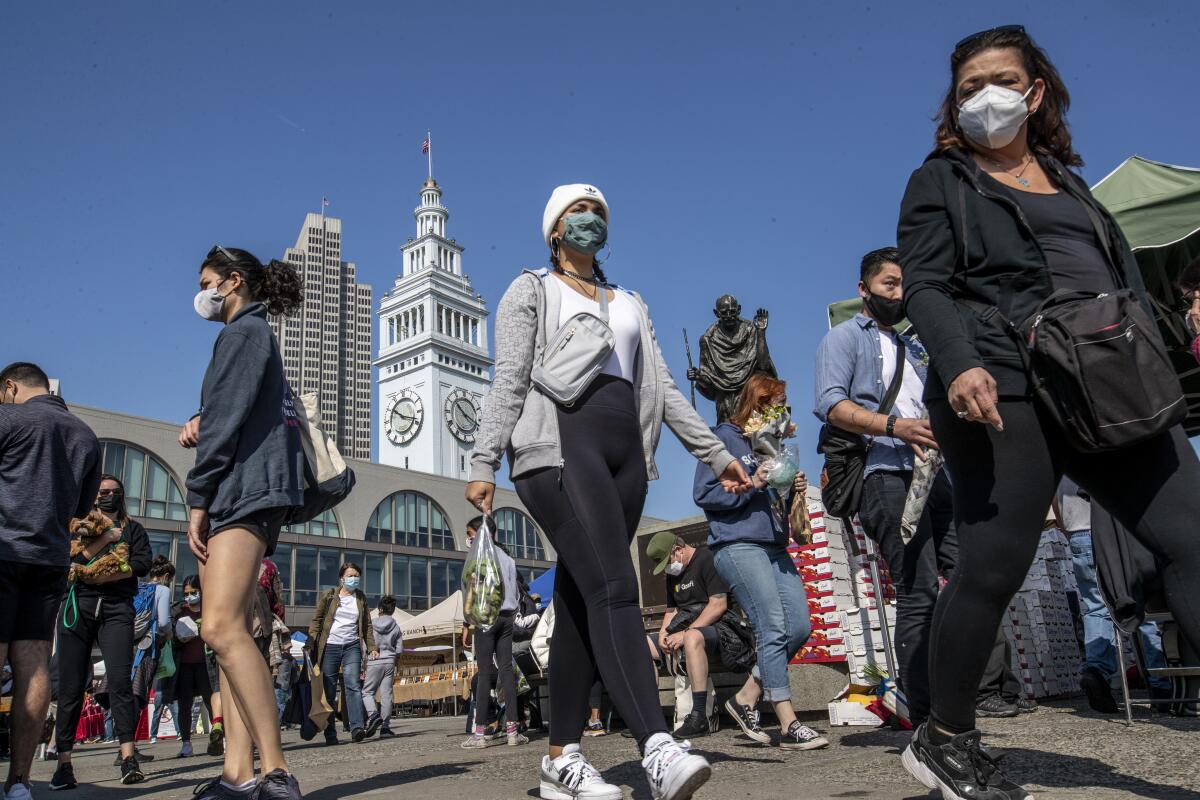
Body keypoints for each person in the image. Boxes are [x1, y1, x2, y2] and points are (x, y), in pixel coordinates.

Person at [896, 26, 1200, 800]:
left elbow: (1125, 287)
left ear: (1033, 93)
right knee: (994, 567)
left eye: (999, 80)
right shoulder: (943, 180)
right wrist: (959, 362)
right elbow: (927, 285)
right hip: (1001, 381)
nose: (982, 97)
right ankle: (946, 737)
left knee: (1193, 539)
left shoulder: (1072, 186)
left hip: (1106, 385)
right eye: (967, 87)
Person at [467, 183, 752, 800]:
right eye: (578, 211)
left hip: (627, 456)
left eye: (598, 212)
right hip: (560, 447)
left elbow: (666, 389)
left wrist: (716, 453)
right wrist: (484, 458)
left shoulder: (629, 300)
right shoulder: (532, 289)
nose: (590, 220)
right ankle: (656, 743)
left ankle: (560, 760)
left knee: (579, 599)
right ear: (553, 229)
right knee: (616, 587)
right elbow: (510, 377)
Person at [181, 245, 307, 800]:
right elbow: (229, 415)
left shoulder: (242, 334)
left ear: (233, 282)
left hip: (243, 492)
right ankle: (237, 772)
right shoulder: (253, 335)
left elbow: (225, 425)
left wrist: (198, 497)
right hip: (247, 489)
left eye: (209, 282)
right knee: (226, 632)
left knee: (221, 628)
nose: (203, 294)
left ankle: (275, 768)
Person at [695, 374, 829, 751]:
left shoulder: (773, 443)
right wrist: (752, 483)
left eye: (783, 405)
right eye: (775, 403)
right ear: (756, 402)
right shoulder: (724, 439)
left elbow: (771, 498)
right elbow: (703, 493)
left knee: (799, 626)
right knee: (771, 624)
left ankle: (745, 696)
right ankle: (787, 722)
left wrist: (789, 490)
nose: (781, 411)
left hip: (774, 543)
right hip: (738, 545)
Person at [0, 361, 102, 800]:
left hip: (3, 550)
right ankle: (20, 781)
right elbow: (81, 507)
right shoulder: (85, 436)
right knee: (35, 662)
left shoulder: (8, 418)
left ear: (9, 387)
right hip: (49, 559)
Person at [48, 474, 153, 788]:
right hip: (77, 607)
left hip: (117, 609)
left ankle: (127, 757)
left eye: (114, 492)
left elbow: (142, 563)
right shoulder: (78, 526)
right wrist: (106, 540)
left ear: (122, 495)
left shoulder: (133, 529)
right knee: (70, 687)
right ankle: (64, 762)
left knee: (121, 682)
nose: (108, 496)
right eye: (103, 492)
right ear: (93, 497)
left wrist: (113, 574)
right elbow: (70, 560)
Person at [1056, 478, 1171, 712]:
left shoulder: (1057, 453)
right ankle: (1161, 684)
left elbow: (1054, 502)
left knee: (1096, 606)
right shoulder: (1099, 443)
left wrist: (1067, 529)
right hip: (1117, 531)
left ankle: (1096, 670)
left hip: (1078, 532)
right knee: (1140, 603)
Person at [646, 533, 745, 739]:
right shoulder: (674, 573)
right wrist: (665, 633)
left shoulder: (708, 559)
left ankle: (699, 716)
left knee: (692, 637)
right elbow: (671, 610)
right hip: (688, 629)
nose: (667, 568)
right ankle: (650, 718)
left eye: (668, 561)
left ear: (678, 550)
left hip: (721, 630)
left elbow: (718, 605)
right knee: (643, 645)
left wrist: (684, 633)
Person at [462, 526, 526, 749]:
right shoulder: (507, 558)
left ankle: (480, 733)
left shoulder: (479, 557)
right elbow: (516, 592)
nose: (469, 539)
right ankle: (512, 731)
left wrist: (468, 622)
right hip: (507, 617)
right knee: (506, 670)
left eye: (471, 534)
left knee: (485, 670)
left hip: (486, 616)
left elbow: (471, 589)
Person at [307, 562, 377, 745]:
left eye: (357, 575)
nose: (354, 579)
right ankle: (330, 734)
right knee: (329, 691)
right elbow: (317, 620)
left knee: (353, 685)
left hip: (351, 646)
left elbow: (367, 625)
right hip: (330, 646)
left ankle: (356, 728)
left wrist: (372, 647)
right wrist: (311, 641)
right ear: (342, 578)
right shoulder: (329, 596)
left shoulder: (360, 598)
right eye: (350, 575)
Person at [688, 296, 777, 422]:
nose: (729, 315)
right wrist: (698, 376)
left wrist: (761, 333)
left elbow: (763, 365)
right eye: (724, 313)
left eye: (732, 311)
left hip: (748, 393)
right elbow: (709, 379)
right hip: (724, 400)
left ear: (739, 310)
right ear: (716, 313)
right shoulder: (708, 340)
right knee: (728, 432)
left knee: (751, 430)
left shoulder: (751, 329)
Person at [173, 575, 216, 758]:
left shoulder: (209, 610)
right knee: (185, 705)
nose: (190, 596)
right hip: (184, 665)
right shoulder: (179, 611)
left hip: (206, 665)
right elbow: (171, 638)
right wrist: (180, 637)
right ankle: (186, 743)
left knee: (211, 701)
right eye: (187, 593)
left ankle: (218, 737)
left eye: (194, 592)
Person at [362, 595, 402, 738]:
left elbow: (365, 645)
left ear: (380, 609)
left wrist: (363, 664)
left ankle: (373, 715)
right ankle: (385, 727)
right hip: (390, 661)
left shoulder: (372, 624)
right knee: (386, 694)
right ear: (393, 610)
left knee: (367, 692)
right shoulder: (396, 627)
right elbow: (399, 650)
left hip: (374, 660)